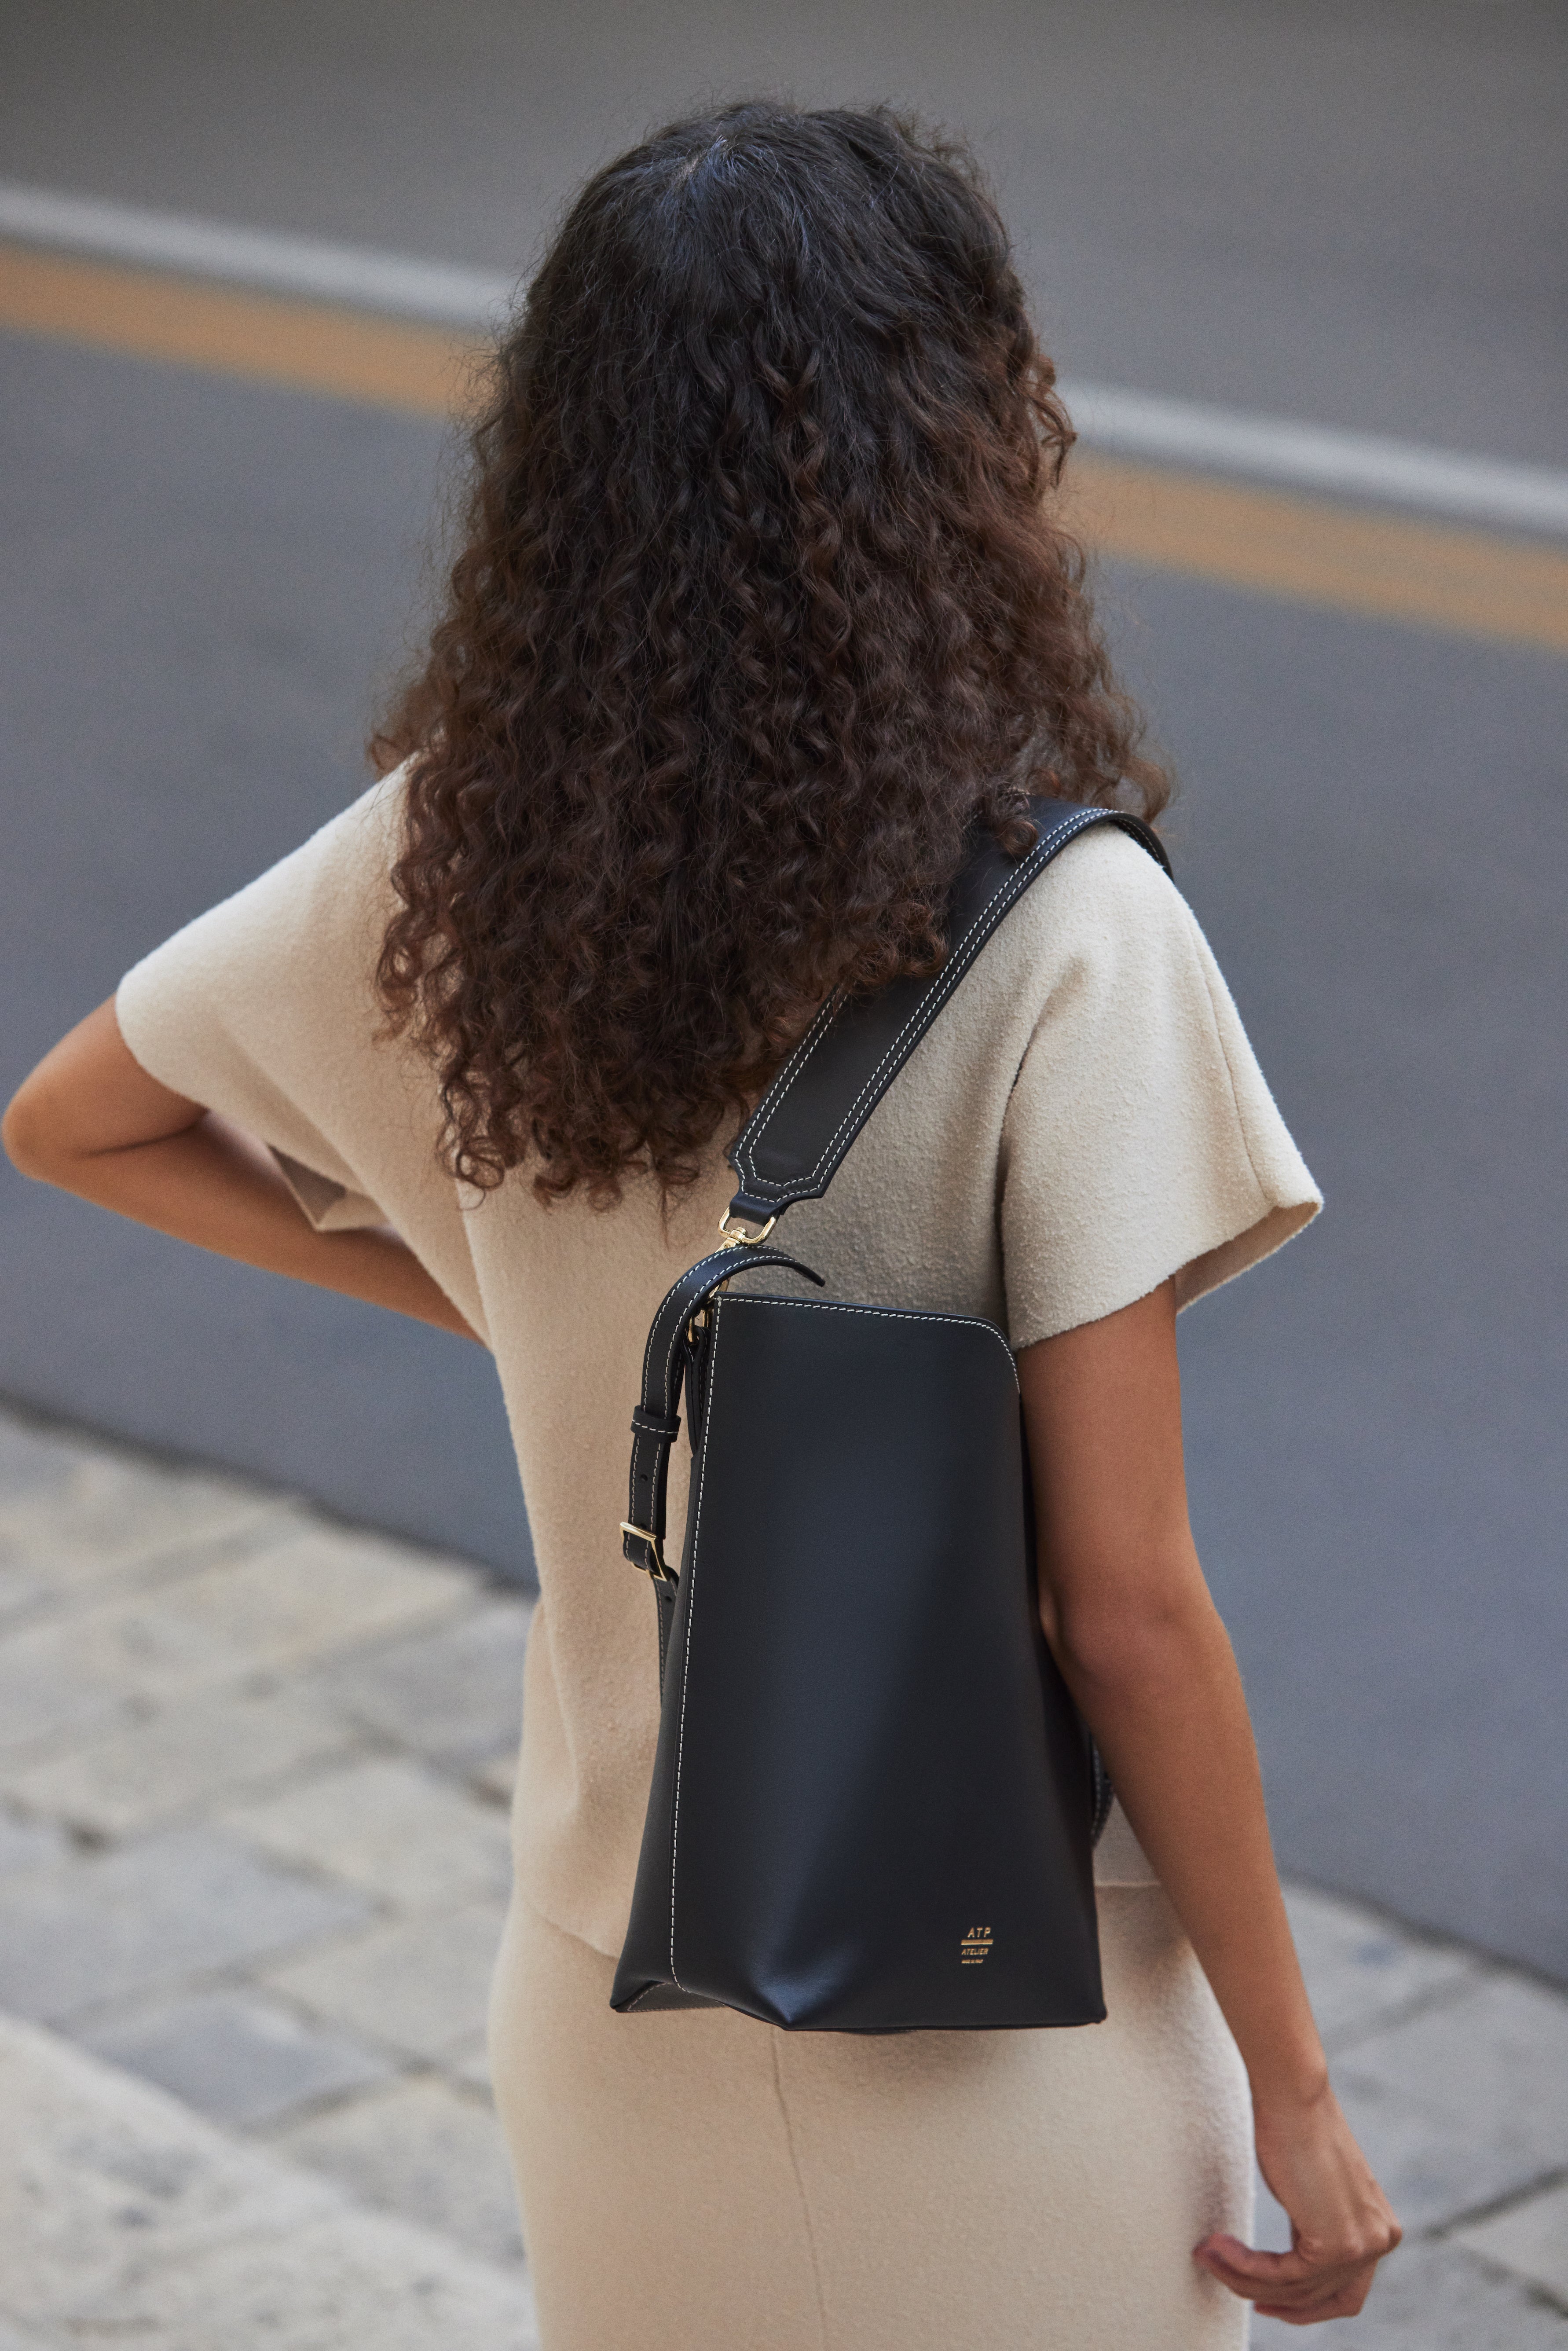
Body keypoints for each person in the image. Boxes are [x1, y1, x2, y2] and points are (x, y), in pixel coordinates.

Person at [4, 103, 1399, 2349]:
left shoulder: (455, 857)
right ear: (957, 447)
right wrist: (1306, 2096)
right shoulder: (1069, 940)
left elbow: (79, 1119)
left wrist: (501, 1309)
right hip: (996, 2019)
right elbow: (1124, 1606)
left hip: (610, 1986)